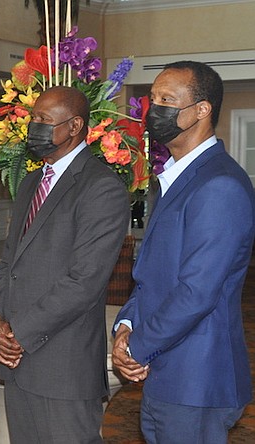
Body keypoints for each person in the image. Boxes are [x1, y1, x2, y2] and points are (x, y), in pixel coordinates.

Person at [112, 61, 255, 443]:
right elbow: (150, 276)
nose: (154, 109)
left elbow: (197, 292)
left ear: (202, 110)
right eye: (152, 98)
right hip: (168, 373)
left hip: (198, 379)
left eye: (167, 100)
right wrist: (126, 325)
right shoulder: (177, 178)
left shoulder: (219, 185)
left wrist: (137, 347)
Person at [0, 86, 130, 443]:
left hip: (63, 364)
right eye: (33, 118)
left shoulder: (101, 187)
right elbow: (9, 263)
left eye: (43, 120)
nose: (33, 127)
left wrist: (18, 332)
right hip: (17, 361)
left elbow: (84, 281)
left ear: (74, 126)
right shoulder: (31, 182)